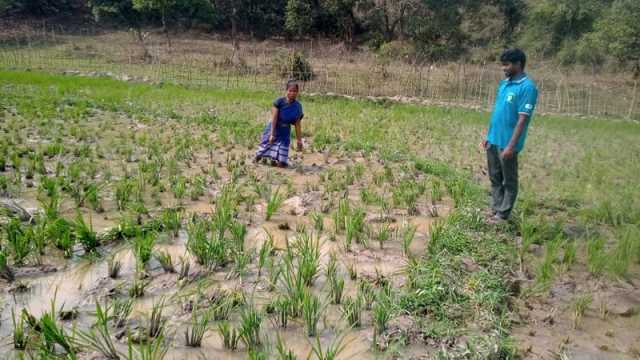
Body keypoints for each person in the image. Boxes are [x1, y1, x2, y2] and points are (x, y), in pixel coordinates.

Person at [482, 49, 538, 223]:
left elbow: (522, 119)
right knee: (495, 177)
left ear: (518, 64)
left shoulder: (527, 87)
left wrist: (511, 146)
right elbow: (497, 112)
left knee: (509, 180)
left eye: (506, 64)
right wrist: (488, 135)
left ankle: (503, 214)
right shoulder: (505, 84)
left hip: (508, 144)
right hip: (493, 139)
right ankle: (496, 209)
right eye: (503, 64)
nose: (503, 68)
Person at [255, 80, 304, 167]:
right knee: (262, 150)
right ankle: (256, 161)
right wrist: (272, 134)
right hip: (274, 127)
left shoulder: (298, 106)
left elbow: (297, 124)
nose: (292, 93)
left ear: (297, 92)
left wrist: (299, 140)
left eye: (295, 91)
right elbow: (274, 118)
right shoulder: (279, 102)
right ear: (286, 90)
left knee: (282, 161)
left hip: (285, 132)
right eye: (290, 90)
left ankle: (279, 166)